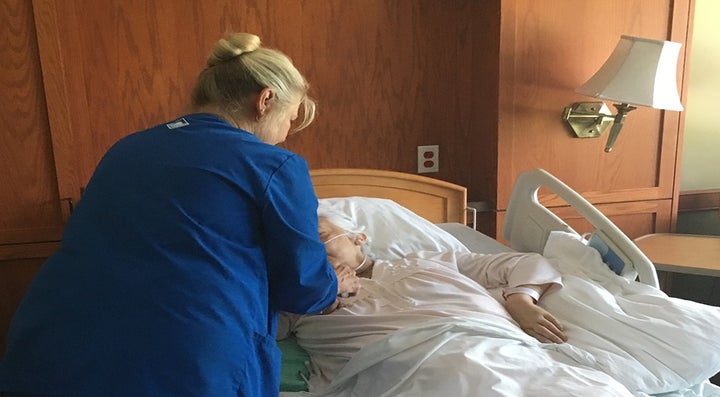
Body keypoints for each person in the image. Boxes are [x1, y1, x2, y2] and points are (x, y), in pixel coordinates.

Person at [0, 32, 359, 397]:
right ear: (265, 100)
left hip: (52, 344)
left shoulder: (126, 149)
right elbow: (303, 287)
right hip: (182, 362)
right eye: (290, 120)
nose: (285, 136)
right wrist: (335, 284)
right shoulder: (273, 165)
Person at [284, 208, 568, 390]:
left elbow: (525, 263)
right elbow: (252, 331)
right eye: (301, 247)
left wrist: (520, 300)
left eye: (320, 237)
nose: (312, 250)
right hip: (411, 373)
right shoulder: (293, 302)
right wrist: (323, 294)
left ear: (358, 237)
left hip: (500, 350)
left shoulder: (426, 262)